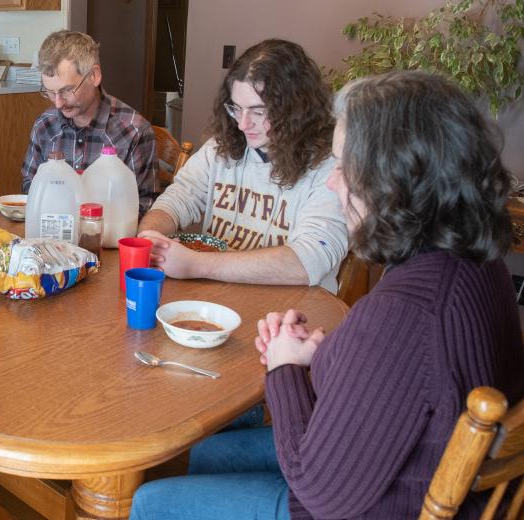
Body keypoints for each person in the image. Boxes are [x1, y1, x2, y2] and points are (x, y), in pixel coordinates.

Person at [129, 70, 524, 519]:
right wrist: (325, 355)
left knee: (149, 503)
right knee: (213, 453)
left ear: (393, 178)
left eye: (343, 166)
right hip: (407, 467)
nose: (334, 182)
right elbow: (408, 380)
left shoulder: (403, 314)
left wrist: (284, 368)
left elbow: (319, 493)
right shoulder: (474, 261)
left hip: (373, 504)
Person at [138, 39, 347, 292]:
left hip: (292, 313)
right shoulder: (222, 147)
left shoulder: (331, 167)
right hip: (220, 295)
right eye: (236, 108)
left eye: (258, 112)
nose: (243, 124)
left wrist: (198, 265)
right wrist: (150, 236)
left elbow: (308, 260)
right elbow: (179, 197)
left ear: (296, 108)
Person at [21, 30, 157, 214]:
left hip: (108, 238)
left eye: (67, 90)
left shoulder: (134, 130)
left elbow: (144, 206)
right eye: (50, 92)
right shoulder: (45, 126)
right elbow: (30, 188)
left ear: (94, 75)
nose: (58, 103)